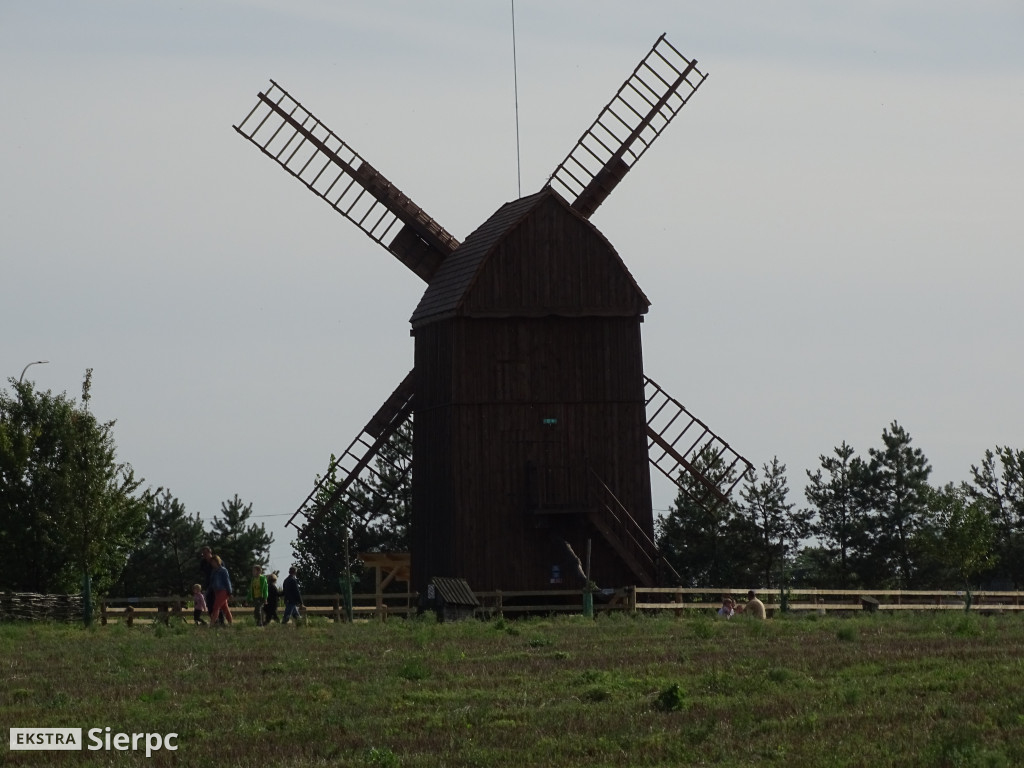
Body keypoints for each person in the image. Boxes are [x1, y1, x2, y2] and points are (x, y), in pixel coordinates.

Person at [209, 555, 233, 626]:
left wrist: (230, 592)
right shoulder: (213, 571)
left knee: (216, 606)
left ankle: (212, 623)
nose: (212, 563)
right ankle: (231, 623)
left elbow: (227, 581)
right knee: (225, 607)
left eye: (213, 562)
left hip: (223, 590)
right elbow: (212, 582)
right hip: (216, 591)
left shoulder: (223, 570)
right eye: (211, 562)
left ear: (217, 562)